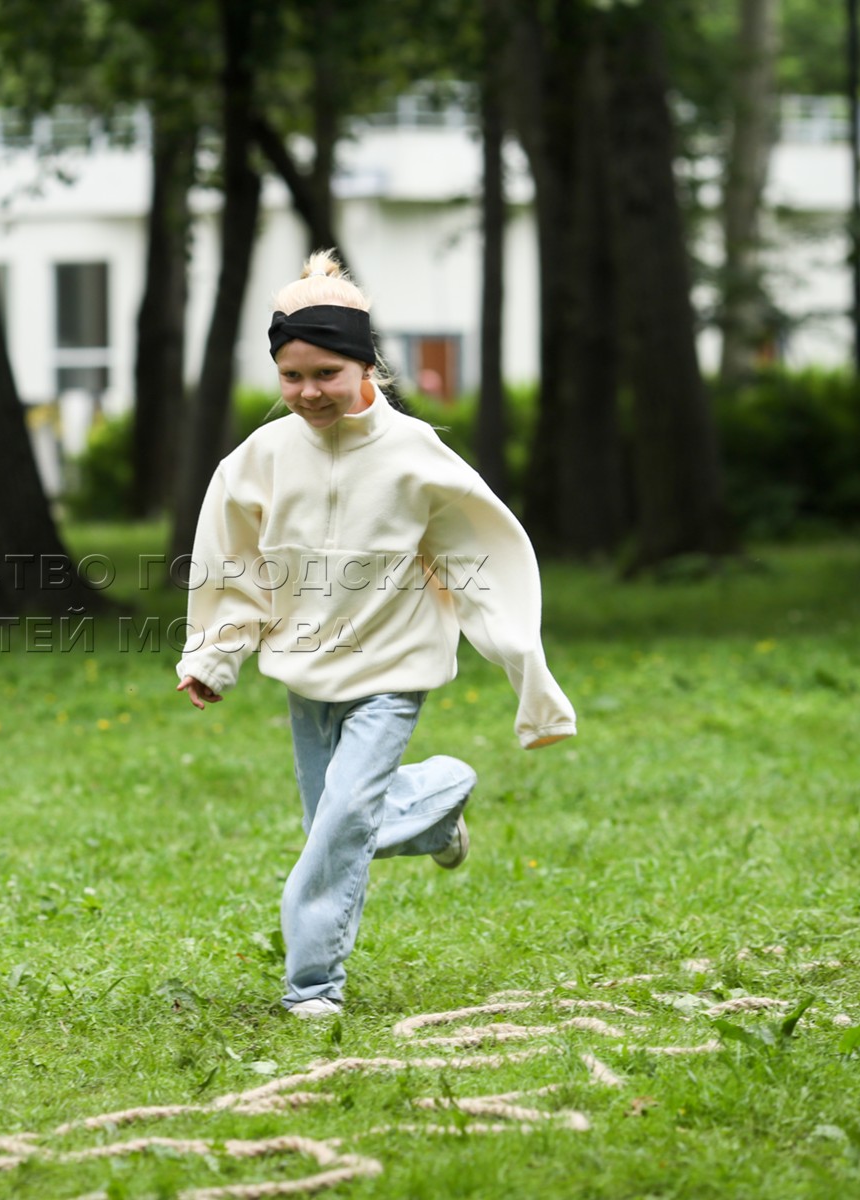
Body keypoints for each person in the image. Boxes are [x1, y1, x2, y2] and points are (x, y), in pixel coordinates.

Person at [174, 251, 576, 1019]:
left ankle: (312, 985)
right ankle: (437, 802)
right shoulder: (257, 461)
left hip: (393, 669)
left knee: (343, 822)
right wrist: (214, 657)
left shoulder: (414, 456)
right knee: (333, 822)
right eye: (291, 376)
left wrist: (524, 665)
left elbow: (479, 557)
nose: (308, 392)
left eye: (326, 373)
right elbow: (234, 569)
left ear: (366, 365)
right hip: (306, 674)